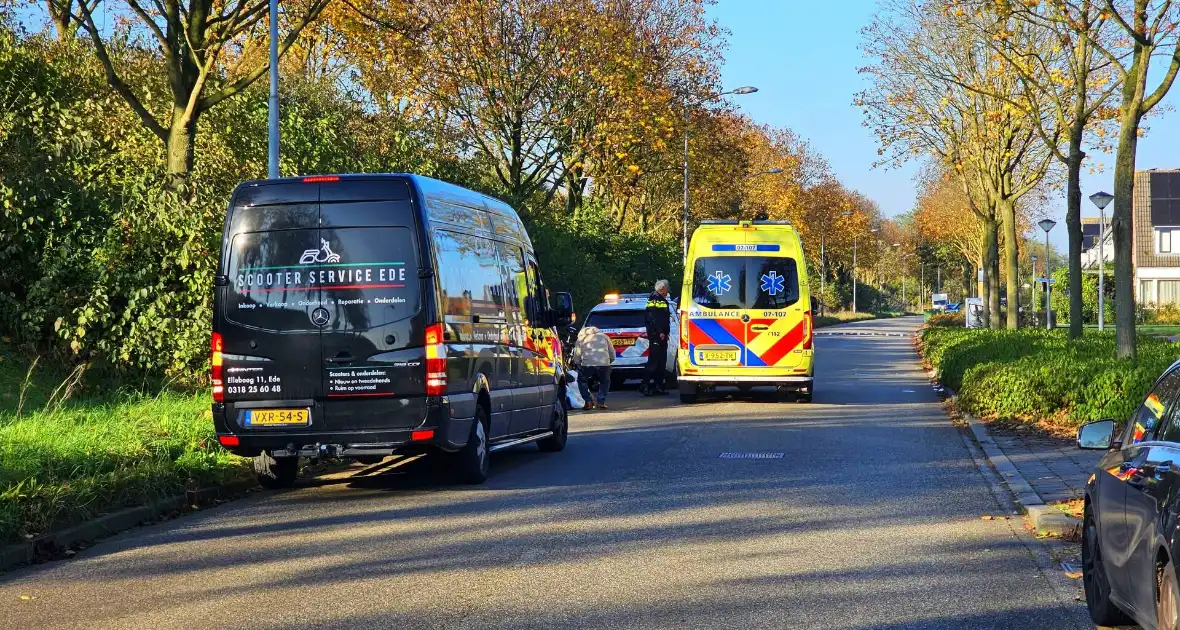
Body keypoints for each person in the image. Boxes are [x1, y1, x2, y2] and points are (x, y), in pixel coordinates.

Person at [570, 324, 615, 410]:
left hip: (587, 364)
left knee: (582, 380)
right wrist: (609, 362)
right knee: (605, 381)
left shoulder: (581, 338)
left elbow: (577, 354)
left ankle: (588, 402)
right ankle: (601, 402)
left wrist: (578, 363)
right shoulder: (604, 336)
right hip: (604, 363)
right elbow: (612, 352)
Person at [641, 279, 672, 396]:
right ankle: (645, 385)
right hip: (656, 335)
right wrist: (660, 332)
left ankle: (659, 386)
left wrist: (666, 332)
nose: (668, 290)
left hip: (662, 335)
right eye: (667, 288)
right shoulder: (654, 298)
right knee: (653, 362)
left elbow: (663, 318)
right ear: (662, 288)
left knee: (661, 362)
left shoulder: (662, 299)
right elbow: (653, 318)